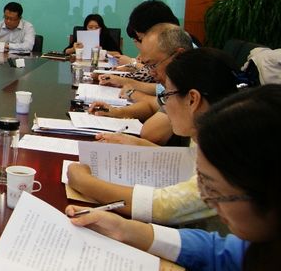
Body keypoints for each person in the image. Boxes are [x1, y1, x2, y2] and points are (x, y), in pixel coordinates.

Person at [67, 85, 281, 270]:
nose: (207, 200)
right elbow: (221, 251)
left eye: (214, 190)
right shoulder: (260, 239)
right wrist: (125, 229)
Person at [68, 48, 239, 226]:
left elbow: (164, 207)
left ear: (192, 99)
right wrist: (138, 144)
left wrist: (84, 182)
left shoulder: (226, 153)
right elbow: (190, 163)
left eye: (166, 96)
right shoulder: (217, 128)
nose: (164, 106)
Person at [91, 23, 193, 145]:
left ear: (178, 56)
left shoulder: (191, 87)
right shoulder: (173, 86)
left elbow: (151, 133)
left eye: (153, 65)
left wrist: (134, 143)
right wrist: (117, 112)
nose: (150, 73)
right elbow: (152, 105)